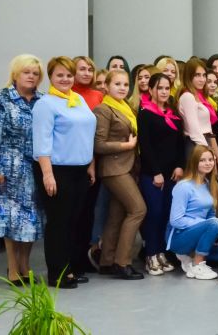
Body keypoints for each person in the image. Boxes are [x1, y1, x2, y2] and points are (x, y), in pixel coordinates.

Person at [32, 57, 98, 289]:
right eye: (60, 75)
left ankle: (70, 267)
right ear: (51, 77)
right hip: (57, 170)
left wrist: (90, 164)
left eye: (69, 75)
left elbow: (86, 134)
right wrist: (47, 175)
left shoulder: (78, 99)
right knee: (59, 223)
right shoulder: (45, 104)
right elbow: (42, 142)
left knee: (74, 222)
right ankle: (57, 274)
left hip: (80, 169)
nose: (65, 79)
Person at [0, 54, 45, 286]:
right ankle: (12, 266)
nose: (31, 77)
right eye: (26, 72)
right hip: (8, 168)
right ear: (15, 74)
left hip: (35, 167)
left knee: (31, 219)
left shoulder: (43, 100)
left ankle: (25, 264)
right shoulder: (1, 98)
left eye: (35, 73)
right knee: (11, 218)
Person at [91, 70, 145, 280]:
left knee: (117, 214)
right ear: (106, 86)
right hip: (113, 168)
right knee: (138, 210)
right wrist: (126, 146)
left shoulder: (126, 107)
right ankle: (122, 262)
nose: (122, 88)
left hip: (128, 167)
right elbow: (98, 144)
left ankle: (107, 261)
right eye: (117, 84)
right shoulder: (103, 110)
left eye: (125, 84)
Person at [136, 75, 185, 276]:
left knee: (166, 213)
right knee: (154, 213)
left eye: (167, 88)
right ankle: (151, 254)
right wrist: (156, 172)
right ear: (151, 90)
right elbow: (145, 146)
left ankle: (162, 252)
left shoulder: (174, 114)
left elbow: (180, 144)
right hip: (152, 173)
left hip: (172, 174)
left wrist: (180, 166)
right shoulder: (145, 114)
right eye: (159, 88)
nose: (164, 92)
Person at [166, 145, 218, 280]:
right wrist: (205, 224)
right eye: (202, 160)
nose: (208, 163)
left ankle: (190, 257)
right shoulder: (183, 186)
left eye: (210, 160)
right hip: (178, 237)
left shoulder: (208, 183)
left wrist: (210, 229)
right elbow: (175, 220)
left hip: (197, 232)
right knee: (215, 224)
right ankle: (197, 264)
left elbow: (210, 214)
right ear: (194, 162)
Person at [178, 60, 218, 167]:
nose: (202, 79)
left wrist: (215, 154)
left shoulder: (199, 96)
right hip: (196, 145)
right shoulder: (188, 96)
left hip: (204, 142)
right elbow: (194, 131)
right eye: (197, 75)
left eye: (204, 75)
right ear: (189, 76)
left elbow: (208, 129)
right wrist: (209, 153)